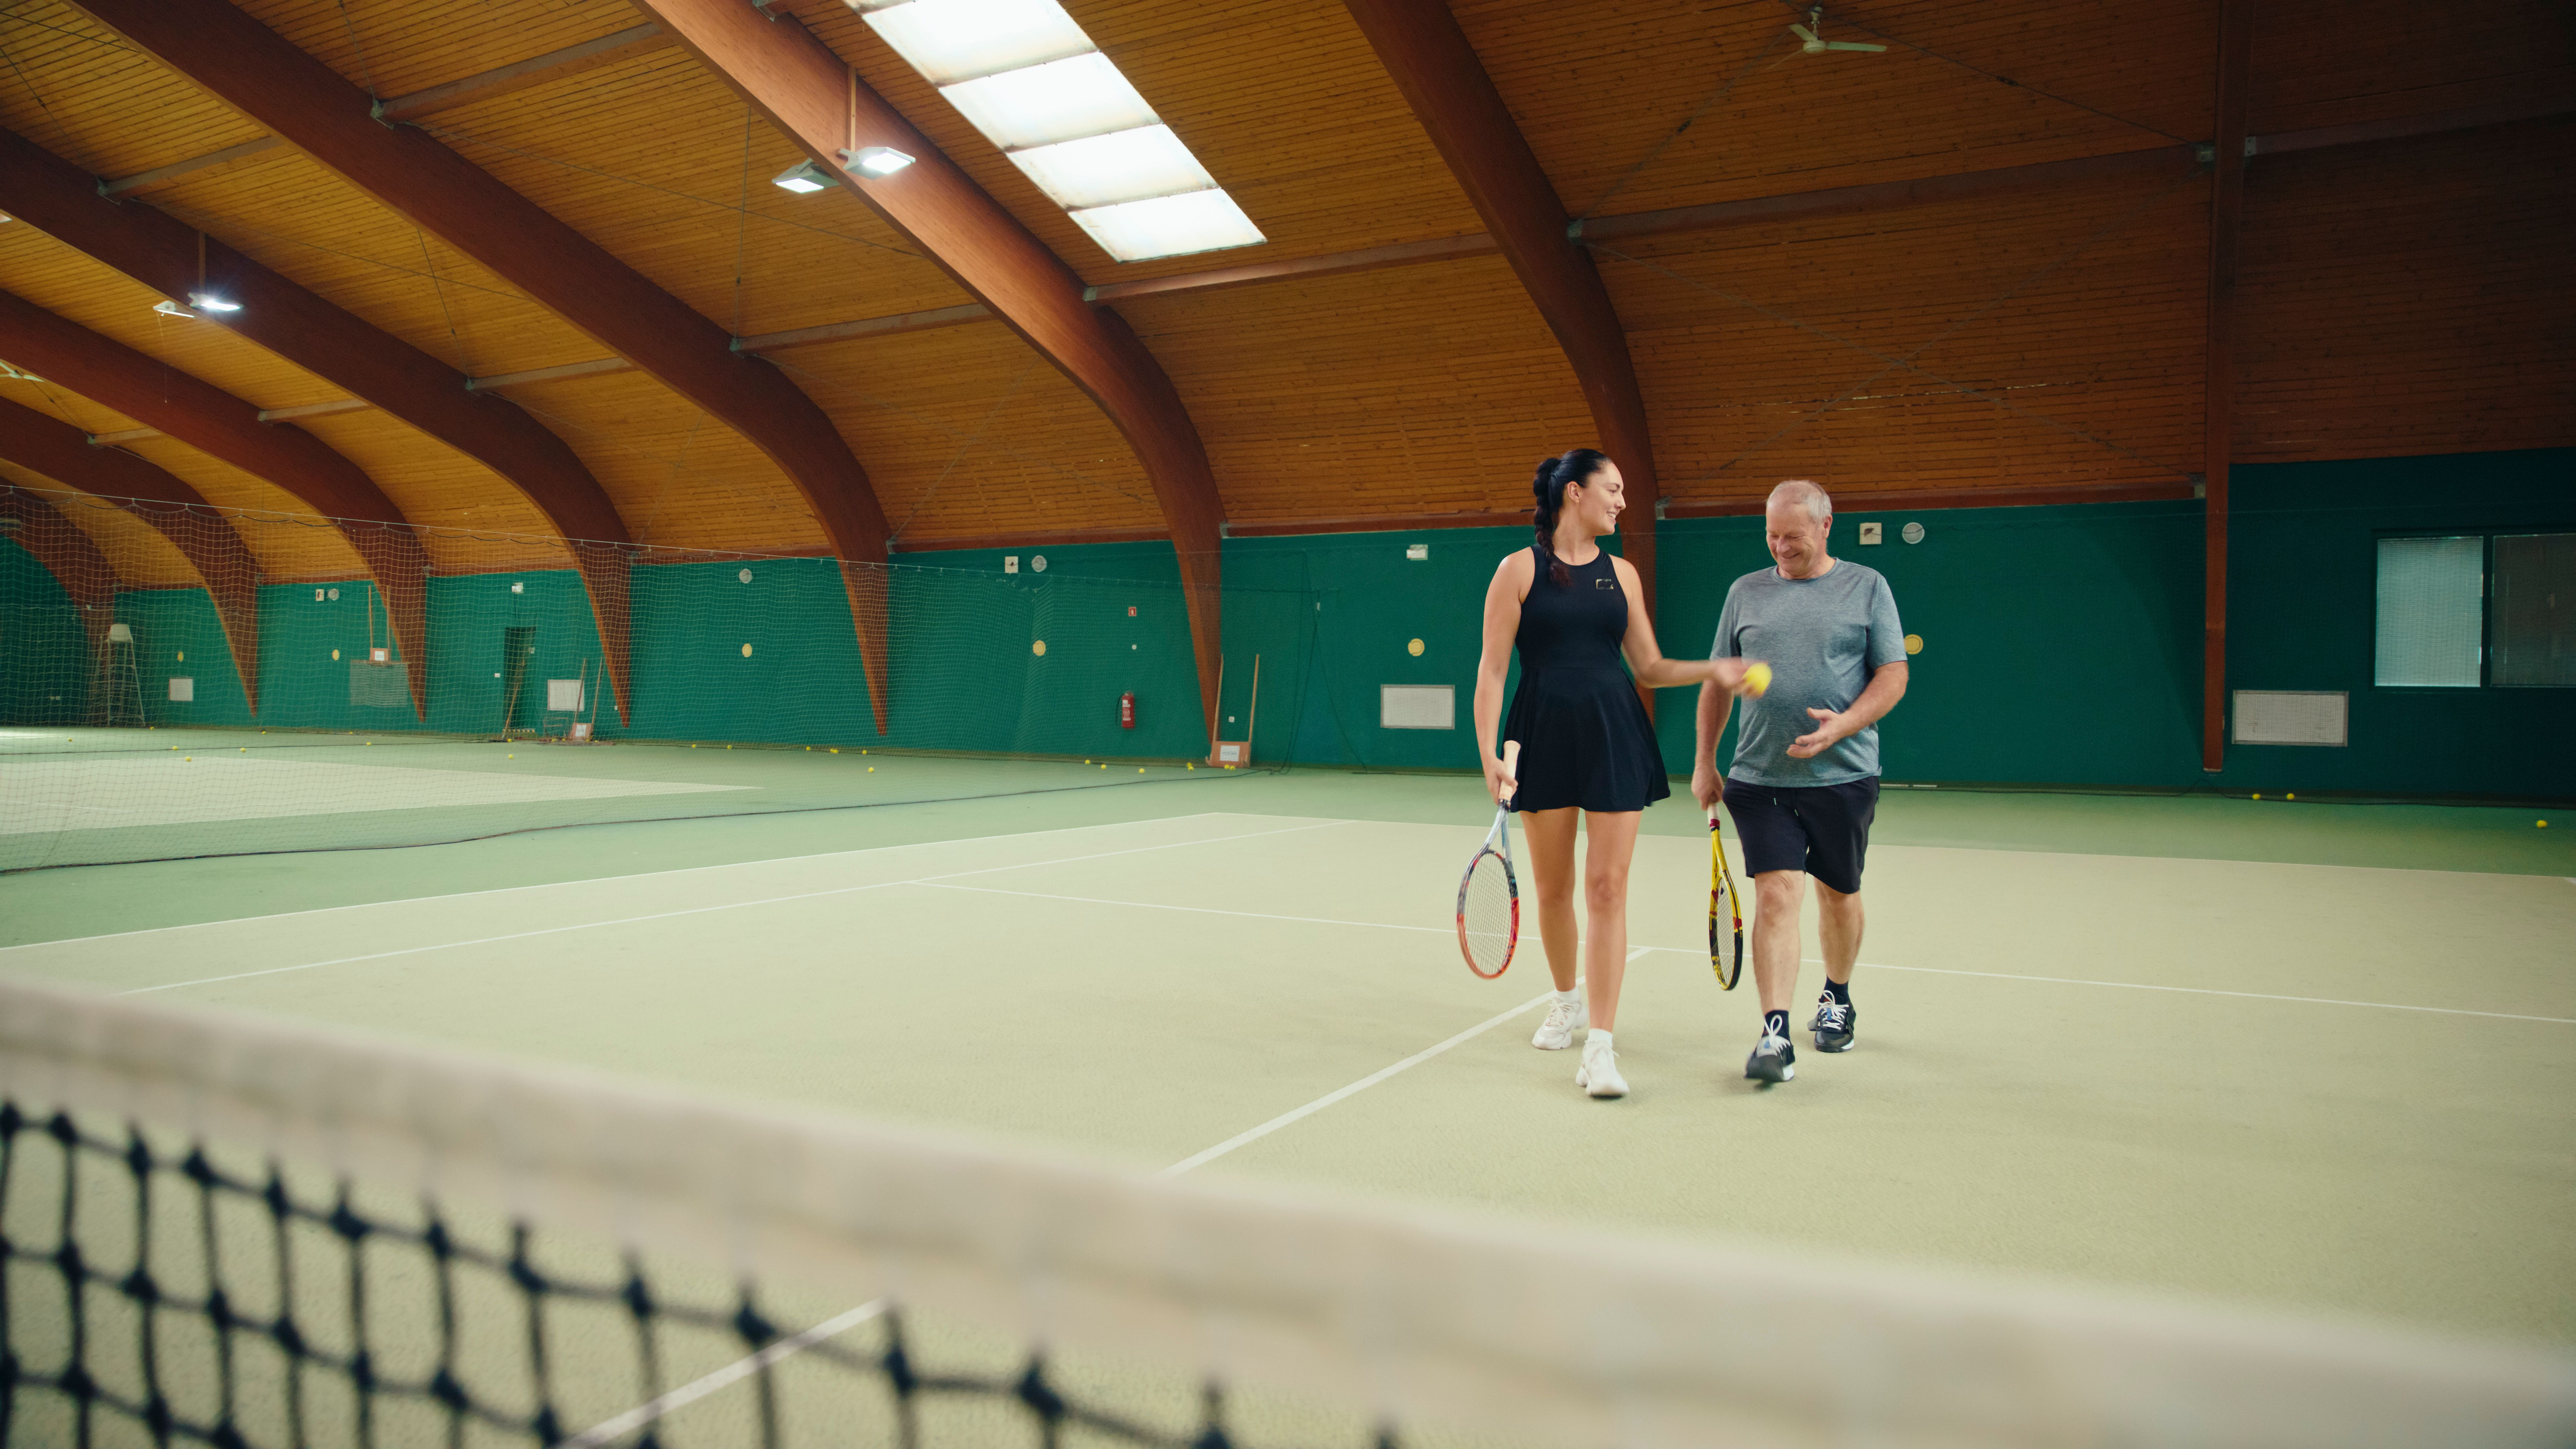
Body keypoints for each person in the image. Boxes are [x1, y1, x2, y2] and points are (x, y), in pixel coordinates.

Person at [1476, 449, 1762, 1099]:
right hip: (1542, 733)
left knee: (1607, 889)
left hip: (1614, 735)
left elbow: (1651, 667)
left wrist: (1711, 671)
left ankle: (1600, 1050)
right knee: (1553, 890)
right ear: (1574, 493)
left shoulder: (1624, 575)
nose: (1623, 501)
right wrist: (1489, 754)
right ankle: (1565, 999)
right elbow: (1493, 671)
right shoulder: (1517, 571)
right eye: (1614, 489)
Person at [1693, 479, 1908, 1084]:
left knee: (1839, 894)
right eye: (1771, 535)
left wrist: (1844, 727)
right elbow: (1718, 681)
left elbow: (1893, 674)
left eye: (1792, 536)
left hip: (1844, 777)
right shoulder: (1746, 592)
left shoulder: (1868, 587)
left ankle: (1836, 996)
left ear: (1826, 525)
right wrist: (1705, 762)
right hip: (1758, 779)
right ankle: (1776, 1034)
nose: (1780, 548)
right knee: (1777, 894)